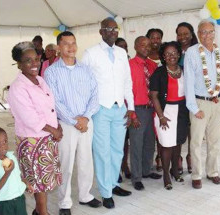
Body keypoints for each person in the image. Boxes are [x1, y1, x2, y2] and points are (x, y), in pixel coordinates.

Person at [45, 31, 101, 215]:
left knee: (86, 161)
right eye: (66, 44)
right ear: (58, 48)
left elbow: (95, 94)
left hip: (86, 122)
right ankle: (64, 202)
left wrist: (85, 117)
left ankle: (85, 195)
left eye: (73, 43)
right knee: (66, 164)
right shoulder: (52, 72)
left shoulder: (85, 69)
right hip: (67, 125)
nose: (71, 47)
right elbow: (54, 100)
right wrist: (73, 120)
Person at [82, 17, 133, 209]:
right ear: (101, 32)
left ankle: (113, 184)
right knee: (102, 152)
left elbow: (127, 82)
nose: (112, 32)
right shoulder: (90, 53)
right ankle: (105, 192)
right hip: (100, 109)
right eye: (108, 29)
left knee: (117, 150)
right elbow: (84, 83)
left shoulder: (121, 53)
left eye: (115, 29)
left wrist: (131, 107)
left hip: (119, 108)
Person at [7, 41, 63, 215]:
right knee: (38, 184)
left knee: (44, 182)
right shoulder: (17, 87)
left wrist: (57, 125)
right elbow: (30, 118)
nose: (34, 64)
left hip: (47, 139)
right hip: (33, 142)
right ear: (19, 64)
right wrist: (53, 130)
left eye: (36, 59)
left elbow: (50, 107)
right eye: (28, 60)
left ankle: (39, 212)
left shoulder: (40, 80)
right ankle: (43, 213)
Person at [184, 20, 220, 189]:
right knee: (196, 142)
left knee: (214, 141)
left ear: (214, 33)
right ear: (198, 34)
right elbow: (188, 82)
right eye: (203, 32)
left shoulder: (219, 51)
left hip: (216, 102)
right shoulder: (192, 53)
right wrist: (193, 108)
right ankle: (196, 174)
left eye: (210, 32)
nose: (207, 35)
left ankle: (212, 172)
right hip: (199, 102)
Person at [150, 41, 188, 190]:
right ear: (163, 57)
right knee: (166, 145)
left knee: (177, 143)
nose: (171, 56)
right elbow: (154, 96)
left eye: (174, 53)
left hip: (182, 112)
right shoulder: (159, 73)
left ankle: (174, 170)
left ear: (179, 54)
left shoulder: (185, 70)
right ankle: (166, 174)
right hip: (165, 112)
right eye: (167, 54)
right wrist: (161, 117)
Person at [129, 36, 162, 191]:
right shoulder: (129, 65)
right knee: (136, 144)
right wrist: (132, 114)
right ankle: (136, 177)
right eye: (142, 45)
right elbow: (125, 91)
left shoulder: (153, 65)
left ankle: (146, 170)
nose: (146, 48)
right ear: (135, 46)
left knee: (150, 143)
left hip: (152, 110)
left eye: (148, 45)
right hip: (137, 109)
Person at [175, 22, 198, 174]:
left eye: (186, 33)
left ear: (192, 34)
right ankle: (178, 158)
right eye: (180, 34)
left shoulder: (197, 50)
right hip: (178, 95)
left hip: (194, 94)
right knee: (179, 127)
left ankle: (190, 156)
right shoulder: (174, 50)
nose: (183, 37)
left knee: (192, 128)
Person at [0, 127, 33, 215]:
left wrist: (25, 184)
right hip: (3, 203)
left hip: (19, 199)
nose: (2, 145)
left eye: (5, 141)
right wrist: (7, 172)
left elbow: (17, 176)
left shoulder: (11, 157)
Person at [146, 28, 164, 172]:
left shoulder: (165, 56)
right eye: (153, 38)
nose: (155, 41)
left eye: (158, 38)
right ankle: (149, 159)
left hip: (163, 100)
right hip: (147, 101)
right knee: (152, 132)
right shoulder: (144, 57)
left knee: (162, 131)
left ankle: (160, 157)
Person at [115, 37, 131, 182]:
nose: (123, 49)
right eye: (120, 46)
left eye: (125, 47)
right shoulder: (113, 63)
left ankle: (125, 165)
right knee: (120, 141)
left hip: (132, 106)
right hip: (118, 108)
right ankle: (119, 168)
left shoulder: (129, 62)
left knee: (126, 141)